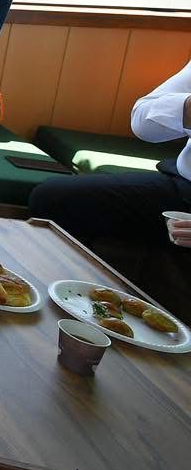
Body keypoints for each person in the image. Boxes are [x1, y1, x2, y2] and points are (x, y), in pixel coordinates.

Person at [29, 60, 191, 320]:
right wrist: (186, 108)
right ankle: (70, 311)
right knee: (53, 198)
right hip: (182, 187)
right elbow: (142, 123)